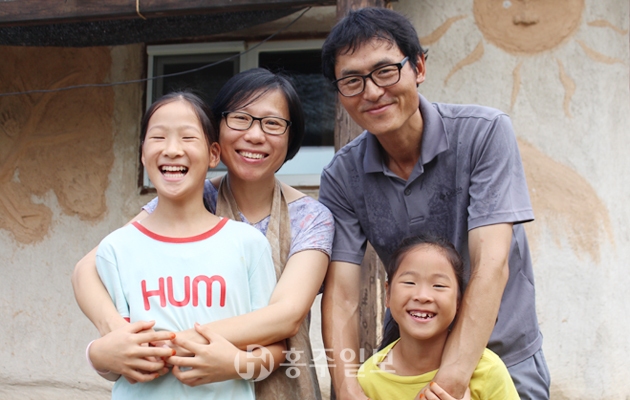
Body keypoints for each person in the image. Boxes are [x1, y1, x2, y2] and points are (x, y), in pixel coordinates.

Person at [318, 7, 549, 400]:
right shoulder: (342, 176)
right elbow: (341, 296)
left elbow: (491, 263)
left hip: (502, 357)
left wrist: (450, 383)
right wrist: (347, 387)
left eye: (385, 71)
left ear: (419, 67)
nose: (371, 92)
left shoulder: (484, 135)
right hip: (408, 367)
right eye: (352, 81)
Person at [72, 69, 334, 399]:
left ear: (291, 136)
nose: (255, 135)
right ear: (217, 134)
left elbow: (286, 315)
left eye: (272, 123)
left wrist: (172, 343)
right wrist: (116, 337)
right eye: (240, 119)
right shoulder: (187, 194)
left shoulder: (310, 218)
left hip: (271, 382)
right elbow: (88, 268)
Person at [92, 91, 281, 399]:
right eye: (158, 137)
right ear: (142, 154)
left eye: (188, 137)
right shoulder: (116, 249)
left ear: (214, 154)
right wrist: (98, 355)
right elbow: (115, 361)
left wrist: (235, 364)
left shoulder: (248, 244)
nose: (172, 150)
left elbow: (275, 353)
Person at [358, 234, 519, 400]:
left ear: (458, 301)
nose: (423, 296)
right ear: (388, 294)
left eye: (439, 285)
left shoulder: (487, 370)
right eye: (409, 282)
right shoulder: (368, 378)